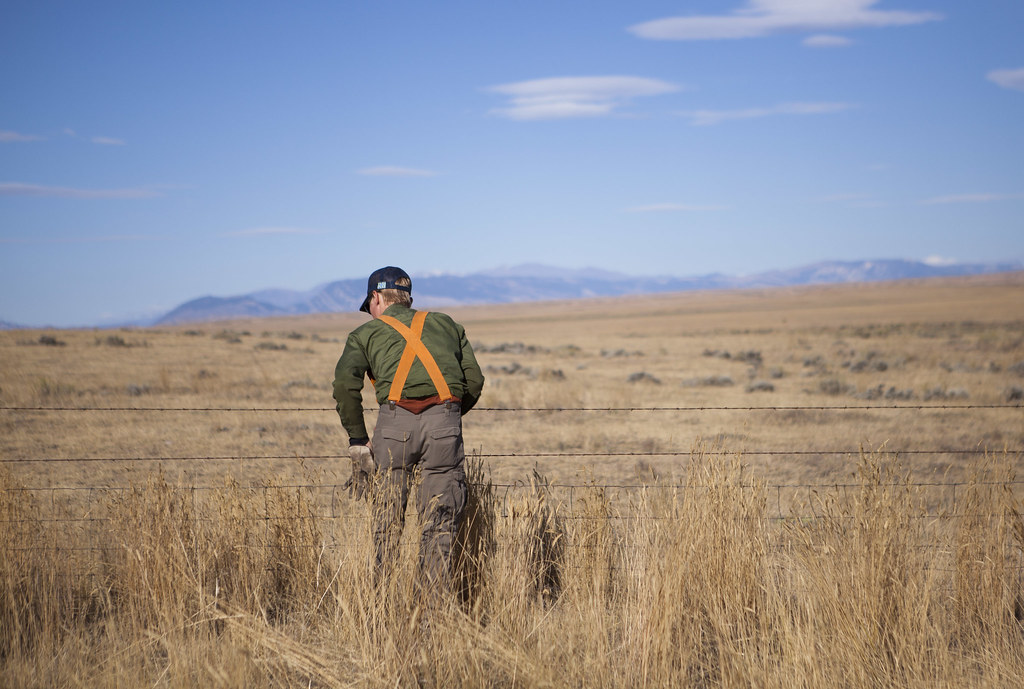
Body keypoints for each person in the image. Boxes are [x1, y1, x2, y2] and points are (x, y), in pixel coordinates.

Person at [333, 266, 485, 594]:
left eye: (369, 305)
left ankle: (382, 606)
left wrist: (358, 439)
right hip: (444, 423)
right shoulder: (446, 324)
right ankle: (432, 615)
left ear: (376, 298)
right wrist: (448, 417)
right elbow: (474, 380)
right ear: (407, 298)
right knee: (440, 521)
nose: (371, 313)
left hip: (393, 426)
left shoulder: (364, 334)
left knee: (386, 524)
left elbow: (345, 385)